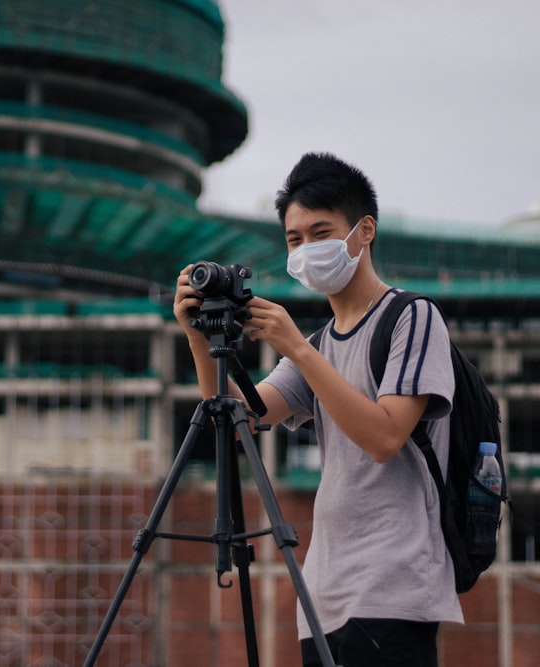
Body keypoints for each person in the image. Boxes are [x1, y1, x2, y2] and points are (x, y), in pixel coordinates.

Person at [173, 152, 463, 667]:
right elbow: (243, 418)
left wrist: (297, 350)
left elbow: (384, 438)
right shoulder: (320, 342)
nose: (307, 249)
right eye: (294, 239)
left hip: (393, 592)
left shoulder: (411, 318)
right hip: (323, 598)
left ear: (364, 230)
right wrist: (200, 340)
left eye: (321, 232)